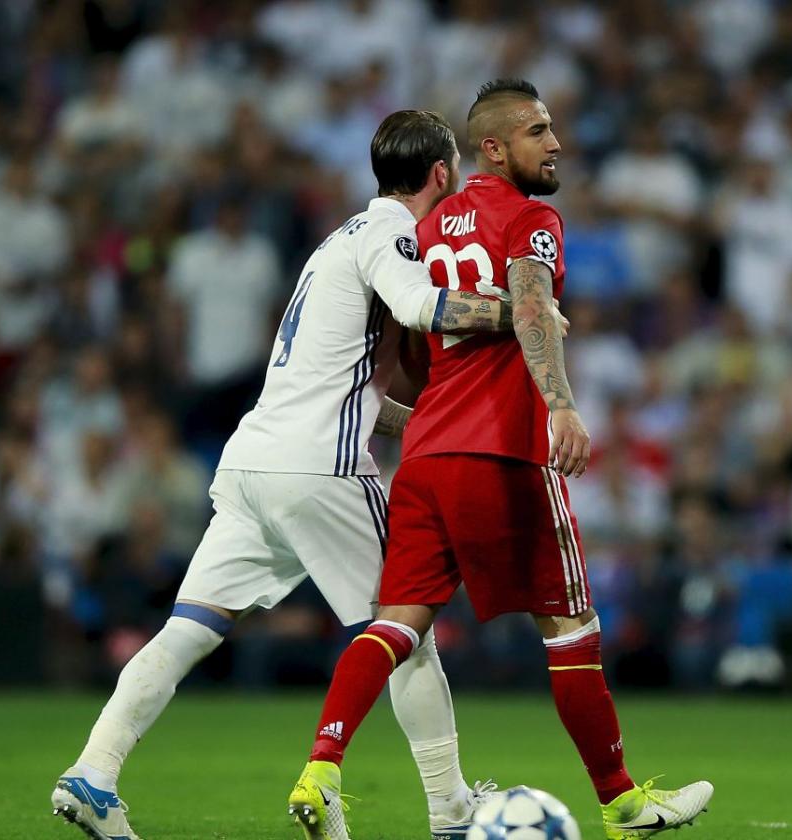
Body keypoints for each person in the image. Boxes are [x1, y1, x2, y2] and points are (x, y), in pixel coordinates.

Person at [52, 109, 540, 840]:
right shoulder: (392, 236)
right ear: (442, 174)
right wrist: (517, 311)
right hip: (324, 470)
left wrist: (427, 424)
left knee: (188, 629)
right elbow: (421, 304)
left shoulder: (334, 240)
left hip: (255, 461)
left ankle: (94, 770)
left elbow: (336, 383)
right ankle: (452, 810)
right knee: (406, 629)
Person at [286, 79, 713, 840]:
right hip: (501, 451)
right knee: (571, 624)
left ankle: (322, 767)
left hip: (424, 457)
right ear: (493, 147)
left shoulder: (425, 232)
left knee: (396, 624)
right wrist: (561, 404)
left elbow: (412, 352)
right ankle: (621, 803)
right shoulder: (531, 217)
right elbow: (530, 302)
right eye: (537, 131)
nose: (555, 144)